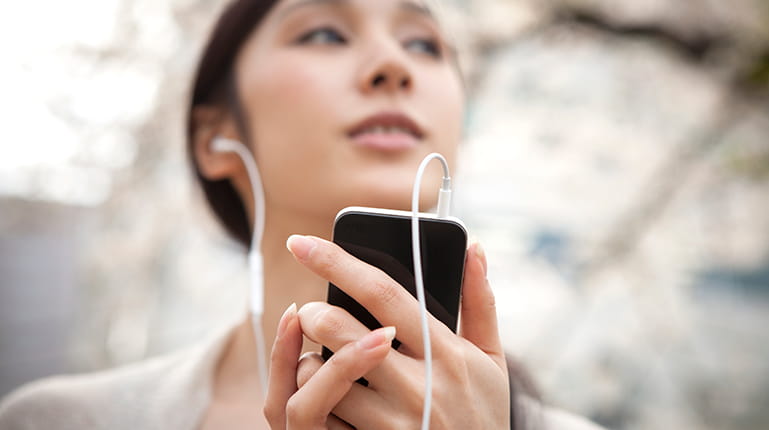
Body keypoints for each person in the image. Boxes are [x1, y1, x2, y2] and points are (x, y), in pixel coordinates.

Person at [0, 1, 605, 429]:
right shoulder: (56, 420)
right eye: (323, 34)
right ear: (217, 136)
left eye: (423, 44)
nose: (392, 66)